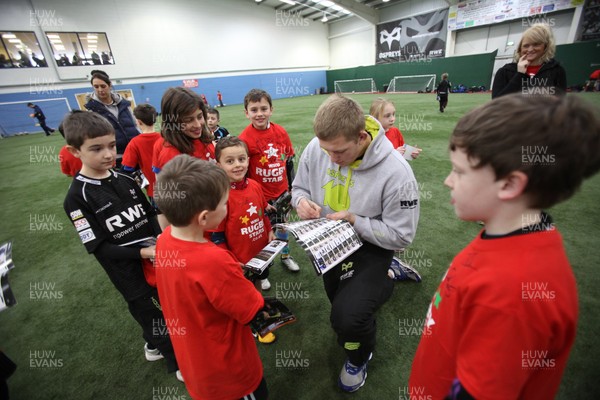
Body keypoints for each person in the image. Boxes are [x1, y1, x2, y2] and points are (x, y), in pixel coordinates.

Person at [409, 93, 600, 399]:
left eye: (459, 171)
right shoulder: (510, 235)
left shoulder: (513, 292)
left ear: (510, 185)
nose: (448, 180)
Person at [292, 94, 420, 392]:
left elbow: (402, 236)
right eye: (326, 150)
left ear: (362, 137)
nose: (331, 159)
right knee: (338, 301)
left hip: (370, 245)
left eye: (338, 152)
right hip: (327, 240)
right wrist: (300, 201)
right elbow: (297, 187)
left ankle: (358, 357)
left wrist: (355, 221)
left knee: (346, 318)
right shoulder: (318, 147)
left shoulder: (397, 172)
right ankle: (386, 279)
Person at [61, 111, 181, 382]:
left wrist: (160, 239)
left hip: (156, 258)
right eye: (97, 148)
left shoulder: (127, 179)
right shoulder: (76, 198)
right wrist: (143, 252)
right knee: (151, 316)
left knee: (171, 305)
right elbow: (98, 248)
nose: (108, 154)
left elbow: (149, 214)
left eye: (112, 146)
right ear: (74, 151)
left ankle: (153, 344)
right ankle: (175, 362)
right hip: (128, 272)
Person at [153, 154, 269, 400]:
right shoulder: (214, 260)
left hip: (196, 366)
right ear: (204, 217)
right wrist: (231, 272)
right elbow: (251, 308)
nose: (227, 207)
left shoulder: (164, 239)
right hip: (230, 373)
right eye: (225, 203)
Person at [213, 137, 277, 344]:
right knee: (242, 292)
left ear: (248, 160)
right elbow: (217, 235)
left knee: (257, 283)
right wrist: (229, 259)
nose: (237, 164)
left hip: (260, 252)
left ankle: (257, 310)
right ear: (218, 165)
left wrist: (269, 231)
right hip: (239, 259)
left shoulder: (256, 186)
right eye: (230, 161)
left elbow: (263, 213)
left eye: (241, 159)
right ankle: (251, 322)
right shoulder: (220, 196)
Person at [239, 88, 300, 273]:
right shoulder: (244, 138)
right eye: (254, 109)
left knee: (282, 227)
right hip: (259, 196)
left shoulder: (280, 132)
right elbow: (244, 172)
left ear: (271, 110)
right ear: (247, 113)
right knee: (261, 232)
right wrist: (253, 197)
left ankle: (285, 255)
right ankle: (263, 266)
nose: (259, 114)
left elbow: (289, 162)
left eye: (263, 109)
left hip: (281, 192)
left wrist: (291, 189)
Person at [152, 87, 215, 229]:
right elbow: (173, 203)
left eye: (200, 116)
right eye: (189, 120)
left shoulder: (202, 138)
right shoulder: (171, 154)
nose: (198, 124)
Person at [492, 23, 566, 99]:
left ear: (546, 46)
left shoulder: (556, 71)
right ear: (520, 48)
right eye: (526, 46)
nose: (530, 49)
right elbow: (496, 103)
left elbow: (560, 103)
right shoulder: (505, 72)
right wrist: (519, 74)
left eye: (536, 44)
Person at [84, 70, 140, 166]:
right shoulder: (91, 110)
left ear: (109, 85)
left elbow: (135, 124)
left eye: (103, 86)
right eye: (96, 87)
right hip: (115, 157)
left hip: (135, 151)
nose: (100, 90)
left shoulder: (124, 104)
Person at [122, 103, 161, 201]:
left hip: (155, 191)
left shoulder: (134, 143)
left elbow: (127, 167)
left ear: (138, 122)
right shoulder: (165, 138)